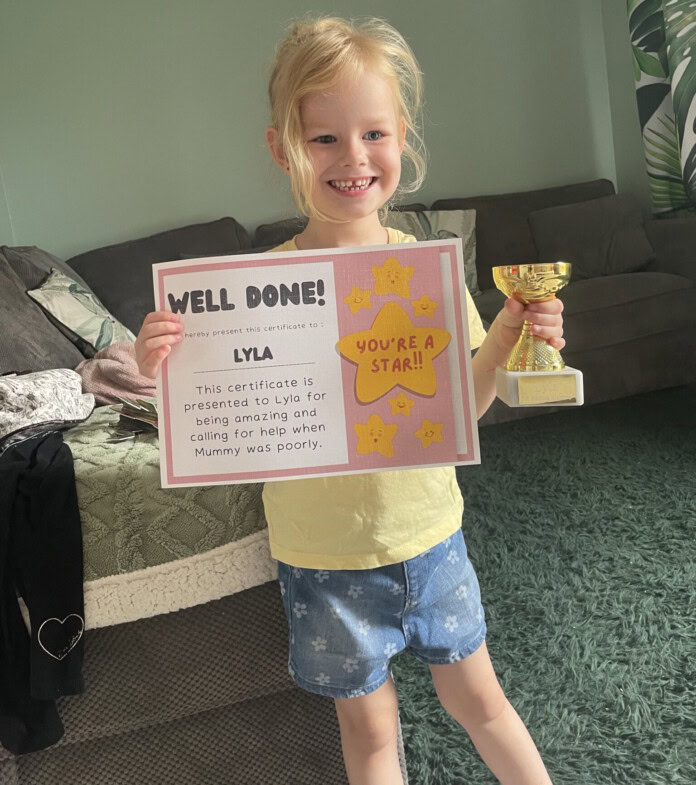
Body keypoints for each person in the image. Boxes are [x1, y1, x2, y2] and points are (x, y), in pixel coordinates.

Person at [135, 16, 562, 785]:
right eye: (324, 138)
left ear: (402, 137)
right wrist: (161, 365)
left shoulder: (426, 273)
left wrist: (506, 335)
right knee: (368, 731)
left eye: (373, 133)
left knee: (480, 700)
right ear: (283, 151)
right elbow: (213, 420)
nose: (353, 157)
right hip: (321, 557)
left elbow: (463, 410)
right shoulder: (248, 290)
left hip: (430, 535)